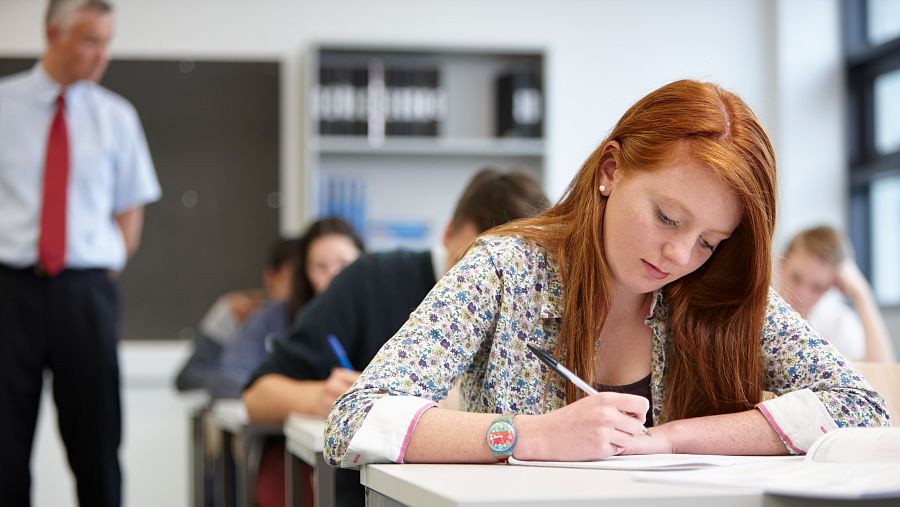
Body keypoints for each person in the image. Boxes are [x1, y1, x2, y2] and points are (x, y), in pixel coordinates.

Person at [324, 80, 890, 470]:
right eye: (667, 217)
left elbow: (861, 409)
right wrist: (532, 435)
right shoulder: (505, 269)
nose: (678, 254)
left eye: (709, 242)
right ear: (611, 171)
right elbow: (355, 419)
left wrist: (670, 439)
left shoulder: (720, 286)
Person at [243, 168, 547, 507]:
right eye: (475, 263)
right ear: (447, 234)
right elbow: (257, 396)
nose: (487, 287)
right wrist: (321, 397)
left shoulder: (538, 303)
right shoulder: (368, 281)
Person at [0, 1, 161, 505]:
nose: (101, 55)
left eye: (108, 42)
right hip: (9, 290)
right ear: (53, 36)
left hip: (85, 291)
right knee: (4, 447)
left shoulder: (116, 117)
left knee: (97, 444)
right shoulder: (4, 106)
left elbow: (129, 212)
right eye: (91, 40)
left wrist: (104, 268)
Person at [209, 217, 364, 399]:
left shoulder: (387, 320)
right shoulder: (273, 319)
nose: (334, 276)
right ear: (305, 273)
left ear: (365, 265)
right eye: (321, 267)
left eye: (344, 264)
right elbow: (230, 377)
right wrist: (301, 396)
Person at [174, 237, 300, 392]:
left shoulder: (316, 320)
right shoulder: (236, 311)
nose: (299, 293)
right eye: (293, 282)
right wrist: (233, 381)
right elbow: (188, 377)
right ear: (270, 278)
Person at [778, 225, 895, 362]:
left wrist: (862, 295)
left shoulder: (837, 324)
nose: (801, 294)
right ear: (781, 263)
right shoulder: (758, 307)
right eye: (796, 278)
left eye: (817, 287)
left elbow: (881, 372)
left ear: (831, 286)